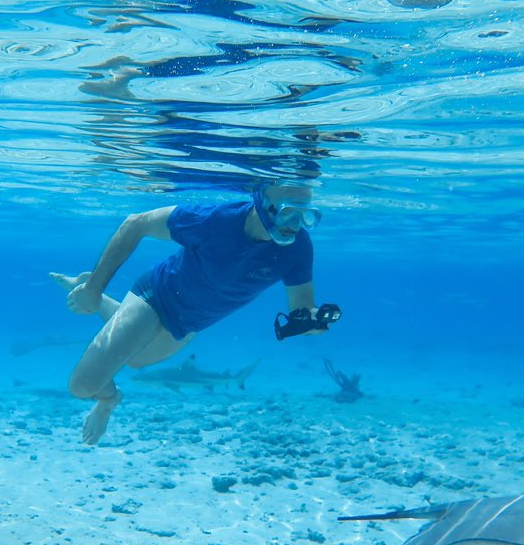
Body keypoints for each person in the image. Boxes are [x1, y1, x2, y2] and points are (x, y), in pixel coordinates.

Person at [51, 183, 333, 444]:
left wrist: (311, 322)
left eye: (305, 216)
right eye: (287, 213)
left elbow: (301, 309)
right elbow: (135, 223)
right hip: (157, 296)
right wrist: (94, 288)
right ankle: (109, 401)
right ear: (263, 203)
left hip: (190, 323)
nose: (294, 226)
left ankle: (102, 301)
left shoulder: (299, 247)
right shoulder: (215, 220)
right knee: (84, 385)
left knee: (136, 361)